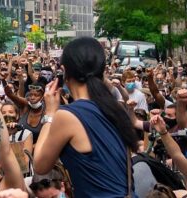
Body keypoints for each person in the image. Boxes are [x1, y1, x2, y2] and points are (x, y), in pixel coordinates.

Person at [33, 37, 138, 197]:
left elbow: (40, 165)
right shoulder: (115, 109)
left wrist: (50, 114)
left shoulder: (67, 116)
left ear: (64, 70)